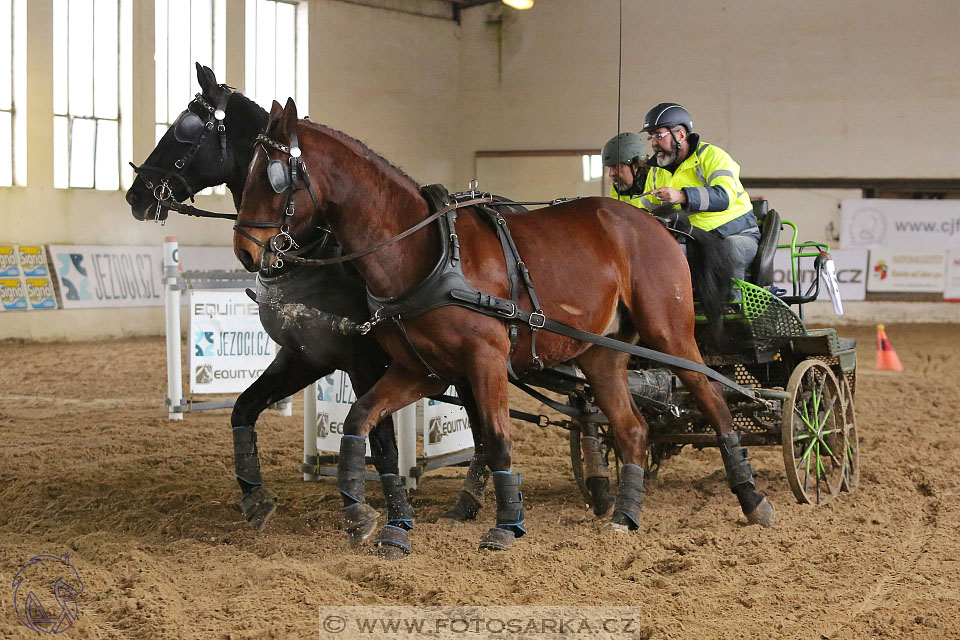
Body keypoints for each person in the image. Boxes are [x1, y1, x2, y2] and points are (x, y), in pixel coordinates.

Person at [636, 102, 760, 283]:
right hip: (692, 239)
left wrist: (682, 196)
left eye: (659, 135)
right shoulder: (656, 170)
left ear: (680, 134)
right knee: (665, 255)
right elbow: (645, 212)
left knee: (731, 249)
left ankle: (733, 305)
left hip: (735, 233)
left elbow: (724, 196)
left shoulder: (713, 157)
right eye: (651, 137)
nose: (654, 143)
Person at [601, 132, 651, 207]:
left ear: (635, 165)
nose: (611, 174)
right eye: (609, 167)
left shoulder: (661, 178)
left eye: (616, 167)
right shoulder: (618, 188)